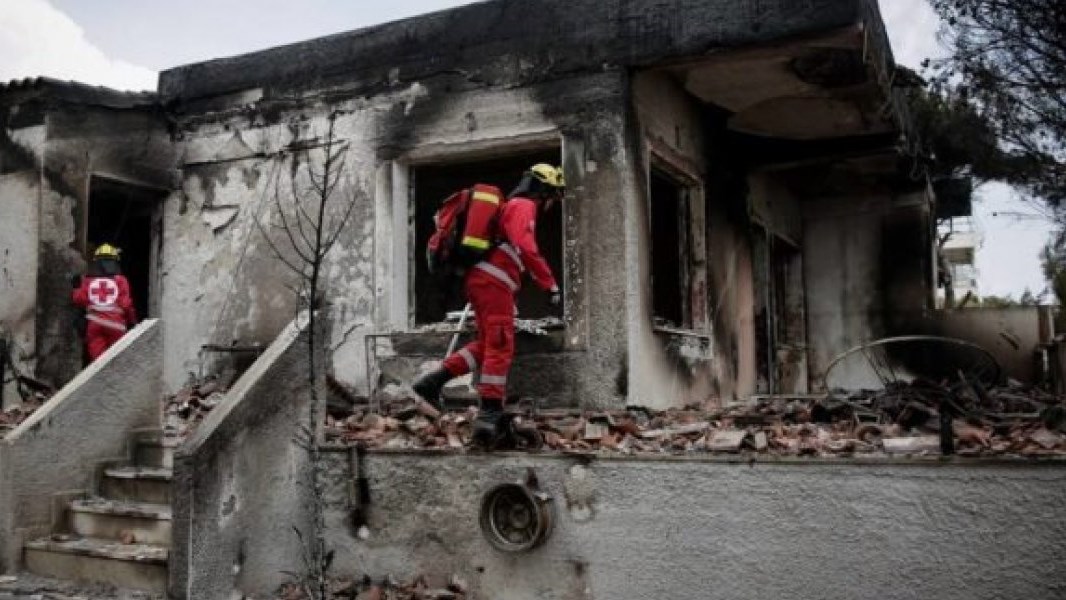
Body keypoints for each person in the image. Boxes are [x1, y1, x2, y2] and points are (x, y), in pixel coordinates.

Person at [413, 163, 564, 444]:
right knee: (501, 343)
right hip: (493, 283)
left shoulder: (511, 206)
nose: (551, 205)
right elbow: (526, 246)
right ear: (544, 191)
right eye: (553, 197)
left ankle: (432, 382)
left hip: (484, 282)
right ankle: (490, 414)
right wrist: (550, 284)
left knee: (486, 345)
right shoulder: (523, 205)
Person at [72, 243, 137, 361]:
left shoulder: (88, 280)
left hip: (95, 325)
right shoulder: (121, 280)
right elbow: (126, 304)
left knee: (98, 363)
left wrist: (76, 287)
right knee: (116, 361)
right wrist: (132, 321)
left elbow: (79, 300)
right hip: (116, 325)